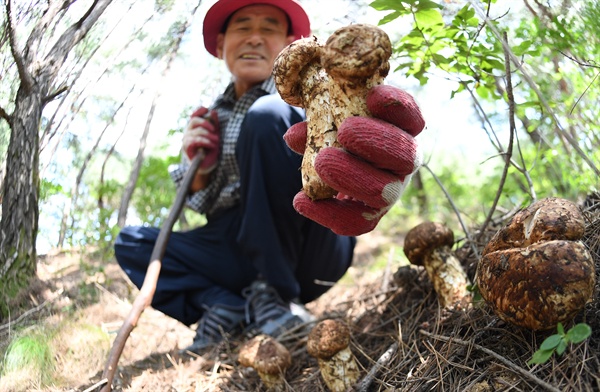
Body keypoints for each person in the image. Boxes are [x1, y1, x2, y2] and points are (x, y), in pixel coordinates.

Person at [114, 0, 424, 354]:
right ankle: (227, 304)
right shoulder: (211, 118)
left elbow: (357, 125)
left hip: (310, 233)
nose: (255, 38)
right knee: (132, 244)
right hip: (241, 243)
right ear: (220, 45)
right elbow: (208, 208)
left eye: (269, 29)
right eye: (243, 27)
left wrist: (391, 157)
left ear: (290, 43)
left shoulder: (317, 95)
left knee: (266, 115)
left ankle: (277, 294)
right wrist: (200, 171)